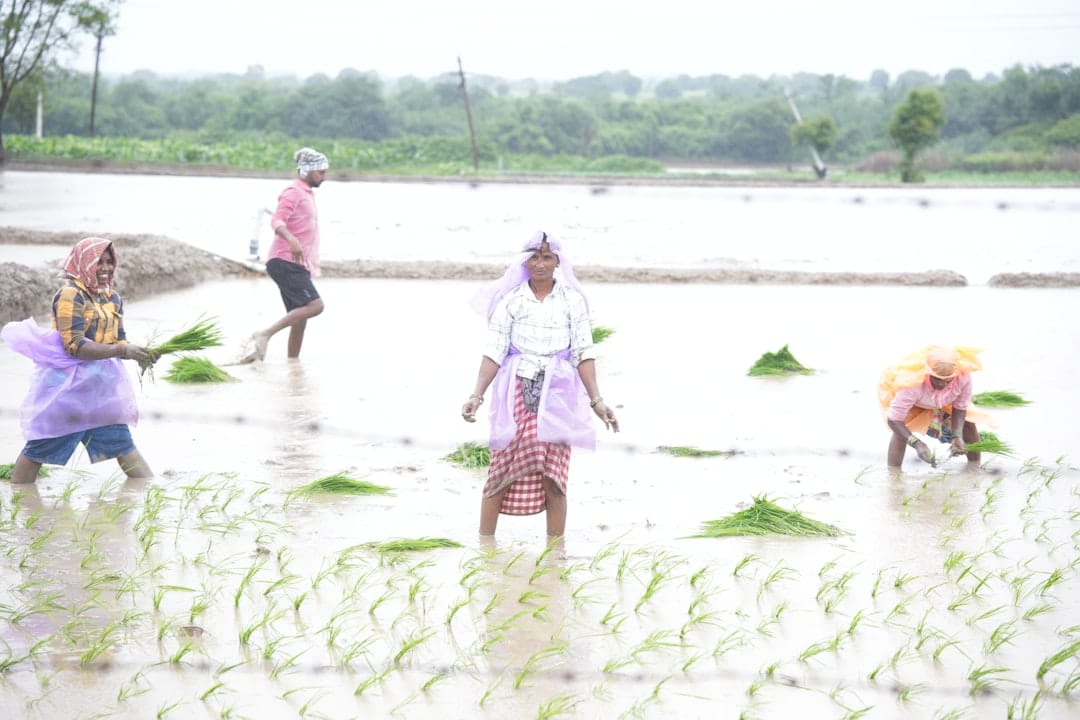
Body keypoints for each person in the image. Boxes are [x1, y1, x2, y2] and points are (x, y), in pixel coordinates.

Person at [461, 231, 620, 538]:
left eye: (547, 257)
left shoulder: (573, 301)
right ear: (524, 261)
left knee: (554, 474)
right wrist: (476, 396)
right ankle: (486, 547)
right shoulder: (511, 300)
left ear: (557, 261)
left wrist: (597, 400)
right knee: (503, 466)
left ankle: (555, 549)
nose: (540, 264)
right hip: (516, 390)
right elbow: (494, 350)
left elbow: (583, 352)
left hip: (559, 392)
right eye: (534, 257)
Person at [2, 237, 157, 483]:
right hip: (68, 390)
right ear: (84, 262)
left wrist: (141, 353)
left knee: (123, 445)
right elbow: (75, 346)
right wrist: (122, 351)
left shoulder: (112, 298)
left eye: (109, 262)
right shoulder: (70, 295)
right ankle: (19, 503)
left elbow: (119, 340)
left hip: (100, 389)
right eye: (99, 262)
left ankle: (150, 493)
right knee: (39, 449)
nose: (106, 268)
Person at [248, 147, 328, 360]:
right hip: (285, 261)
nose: (324, 177)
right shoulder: (293, 192)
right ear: (307, 171)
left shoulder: (306, 193)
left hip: (296, 263)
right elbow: (277, 220)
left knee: (300, 318)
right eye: (321, 172)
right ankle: (264, 334)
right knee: (315, 306)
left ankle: (293, 365)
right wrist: (291, 239)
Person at [878, 345, 988, 470]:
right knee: (902, 430)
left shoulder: (962, 378)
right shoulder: (912, 384)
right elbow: (894, 419)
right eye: (937, 379)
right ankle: (894, 474)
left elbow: (960, 407)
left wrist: (957, 436)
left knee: (969, 423)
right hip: (915, 403)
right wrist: (917, 444)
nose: (942, 384)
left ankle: (974, 468)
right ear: (928, 373)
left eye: (948, 380)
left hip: (944, 400)